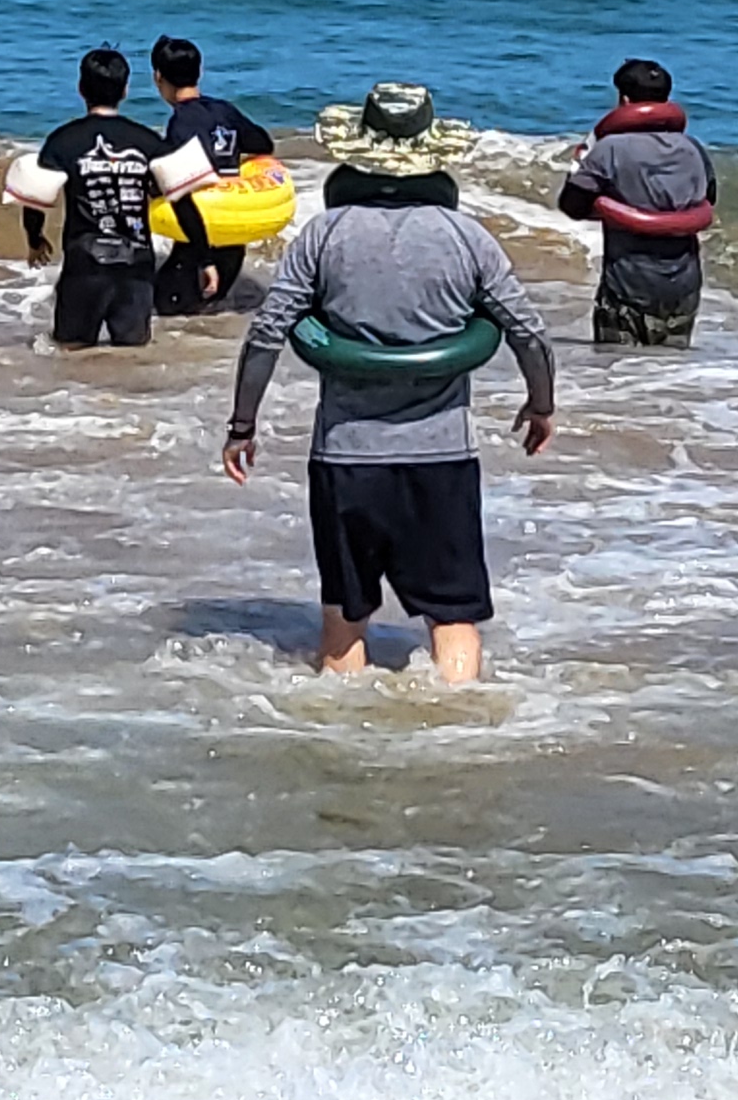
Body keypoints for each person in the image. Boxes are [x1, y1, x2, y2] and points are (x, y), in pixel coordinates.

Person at [223, 82, 556, 682]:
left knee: (343, 620)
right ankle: (464, 721)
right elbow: (527, 332)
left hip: (347, 456)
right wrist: (541, 404)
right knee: (453, 618)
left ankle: (338, 725)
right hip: (442, 457)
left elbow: (268, 332)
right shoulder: (467, 237)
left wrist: (242, 426)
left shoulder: (324, 234)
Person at [556, 57, 719, 347]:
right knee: (670, 369)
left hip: (627, 286)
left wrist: (584, 167)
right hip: (683, 288)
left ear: (624, 100)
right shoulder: (694, 148)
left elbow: (572, 205)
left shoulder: (609, 150)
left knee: (619, 368)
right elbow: (709, 199)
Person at [12, 48, 168, 348]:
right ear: (125, 90)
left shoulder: (63, 141)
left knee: (71, 350)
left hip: (85, 262)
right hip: (137, 261)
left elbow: (36, 197)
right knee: (133, 353)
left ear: (81, 88)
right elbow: (175, 194)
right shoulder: (148, 141)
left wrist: (35, 239)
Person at [148, 36, 278, 317]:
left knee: (168, 313)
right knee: (206, 315)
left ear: (158, 77)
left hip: (199, 240)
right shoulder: (224, 110)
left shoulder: (180, 124)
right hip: (233, 240)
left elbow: (176, 188)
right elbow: (263, 144)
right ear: (200, 71)